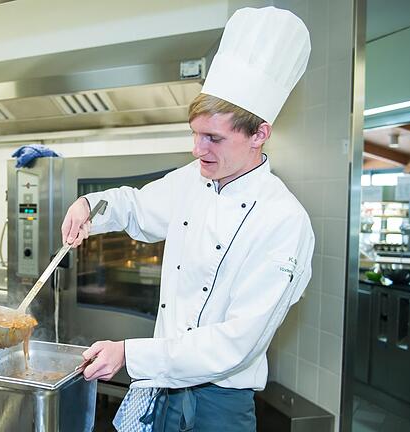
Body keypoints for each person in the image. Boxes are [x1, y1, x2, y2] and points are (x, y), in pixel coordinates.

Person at [59, 6, 314, 432]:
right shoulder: (191, 180)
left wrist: (130, 354)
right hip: (159, 384)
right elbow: (135, 206)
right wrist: (90, 205)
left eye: (214, 138)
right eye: (195, 134)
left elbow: (236, 344)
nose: (198, 150)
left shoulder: (283, 221)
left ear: (259, 135)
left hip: (219, 403)